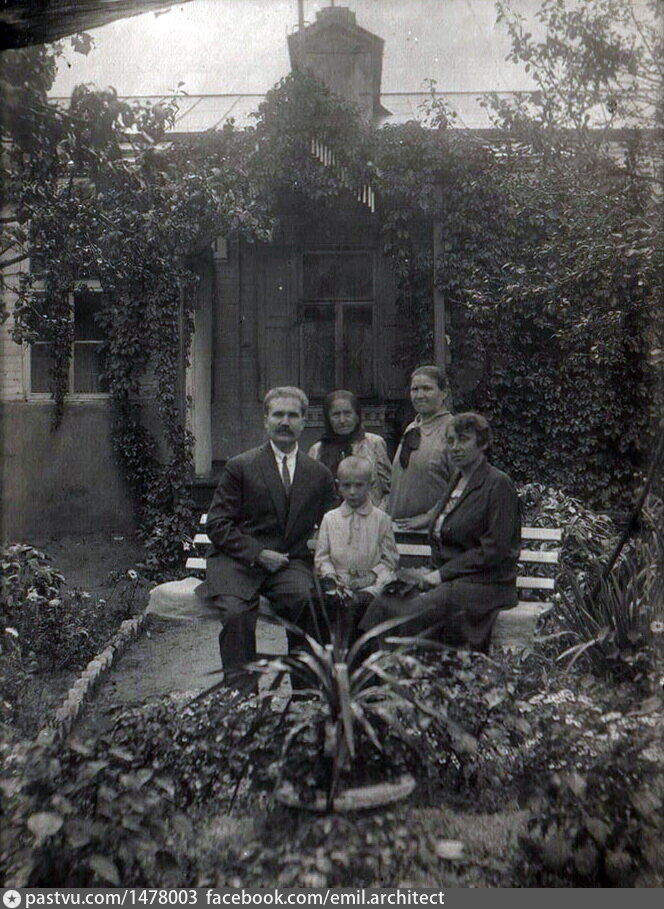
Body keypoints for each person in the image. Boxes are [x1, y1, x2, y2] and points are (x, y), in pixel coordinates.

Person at [196, 386, 337, 692]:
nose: (285, 422)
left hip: (288, 564)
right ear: (266, 420)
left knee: (309, 603)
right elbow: (218, 524)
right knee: (236, 615)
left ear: (304, 421)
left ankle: (306, 698)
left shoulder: (319, 474)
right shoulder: (241, 466)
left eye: (293, 415)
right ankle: (242, 701)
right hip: (238, 562)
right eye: (278, 415)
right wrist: (258, 553)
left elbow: (335, 523)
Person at [362, 413, 521, 651]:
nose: (455, 447)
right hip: (450, 577)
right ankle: (372, 669)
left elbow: (494, 550)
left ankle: (414, 671)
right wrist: (432, 574)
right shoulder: (457, 480)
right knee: (386, 600)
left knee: (414, 611)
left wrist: (442, 574)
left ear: (483, 444)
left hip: (486, 584)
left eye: (463, 440)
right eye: (450, 441)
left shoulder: (498, 484)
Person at [314, 456, 399, 636]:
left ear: (370, 485)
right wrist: (332, 577)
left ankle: (362, 650)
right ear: (338, 486)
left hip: (371, 583)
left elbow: (390, 558)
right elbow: (322, 557)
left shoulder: (381, 519)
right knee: (327, 605)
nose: (352, 492)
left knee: (361, 604)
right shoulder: (330, 519)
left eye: (359, 486)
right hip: (338, 583)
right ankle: (334, 649)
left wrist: (372, 576)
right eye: (346, 486)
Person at [388, 365, 454, 530]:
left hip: (431, 532)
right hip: (399, 530)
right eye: (414, 389)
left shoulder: (453, 429)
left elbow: (463, 485)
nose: (419, 395)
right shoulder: (412, 427)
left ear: (444, 393)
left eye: (427, 389)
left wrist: (430, 516)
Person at [308, 390, 392, 508]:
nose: (342, 420)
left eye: (347, 414)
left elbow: (389, 490)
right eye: (336, 415)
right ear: (328, 418)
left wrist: (378, 514)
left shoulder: (374, 444)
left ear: (357, 416)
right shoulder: (317, 450)